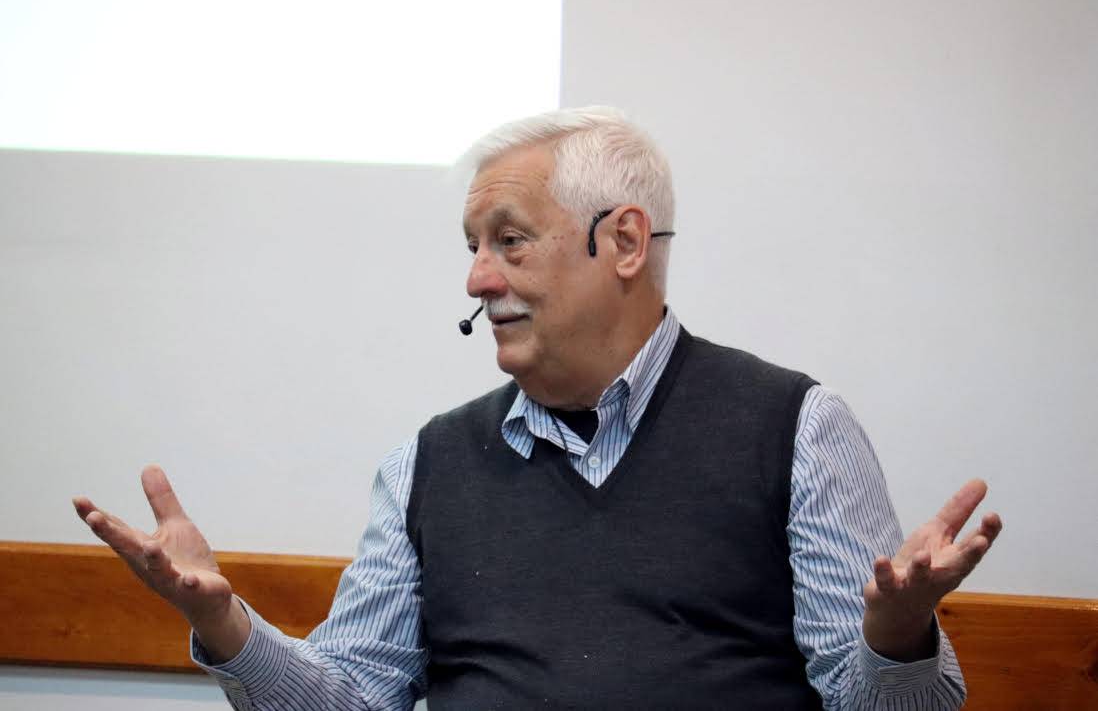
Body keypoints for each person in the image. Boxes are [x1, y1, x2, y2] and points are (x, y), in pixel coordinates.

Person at [73, 107, 1002, 710]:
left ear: (625, 241)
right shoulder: (429, 465)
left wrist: (895, 636)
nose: (478, 279)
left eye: (510, 241)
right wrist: (227, 627)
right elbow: (355, 697)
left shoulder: (796, 431)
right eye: (473, 247)